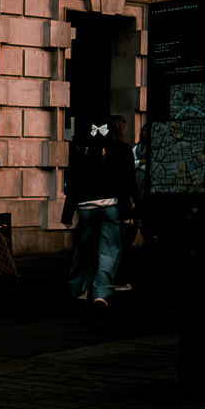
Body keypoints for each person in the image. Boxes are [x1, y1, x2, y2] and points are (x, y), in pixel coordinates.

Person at [61, 119, 138, 306]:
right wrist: (131, 212)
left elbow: (74, 183)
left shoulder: (84, 150)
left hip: (87, 205)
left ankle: (79, 289)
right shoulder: (123, 149)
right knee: (109, 251)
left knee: (84, 249)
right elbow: (128, 182)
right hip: (112, 205)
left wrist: (68, 212)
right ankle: (101, 292)